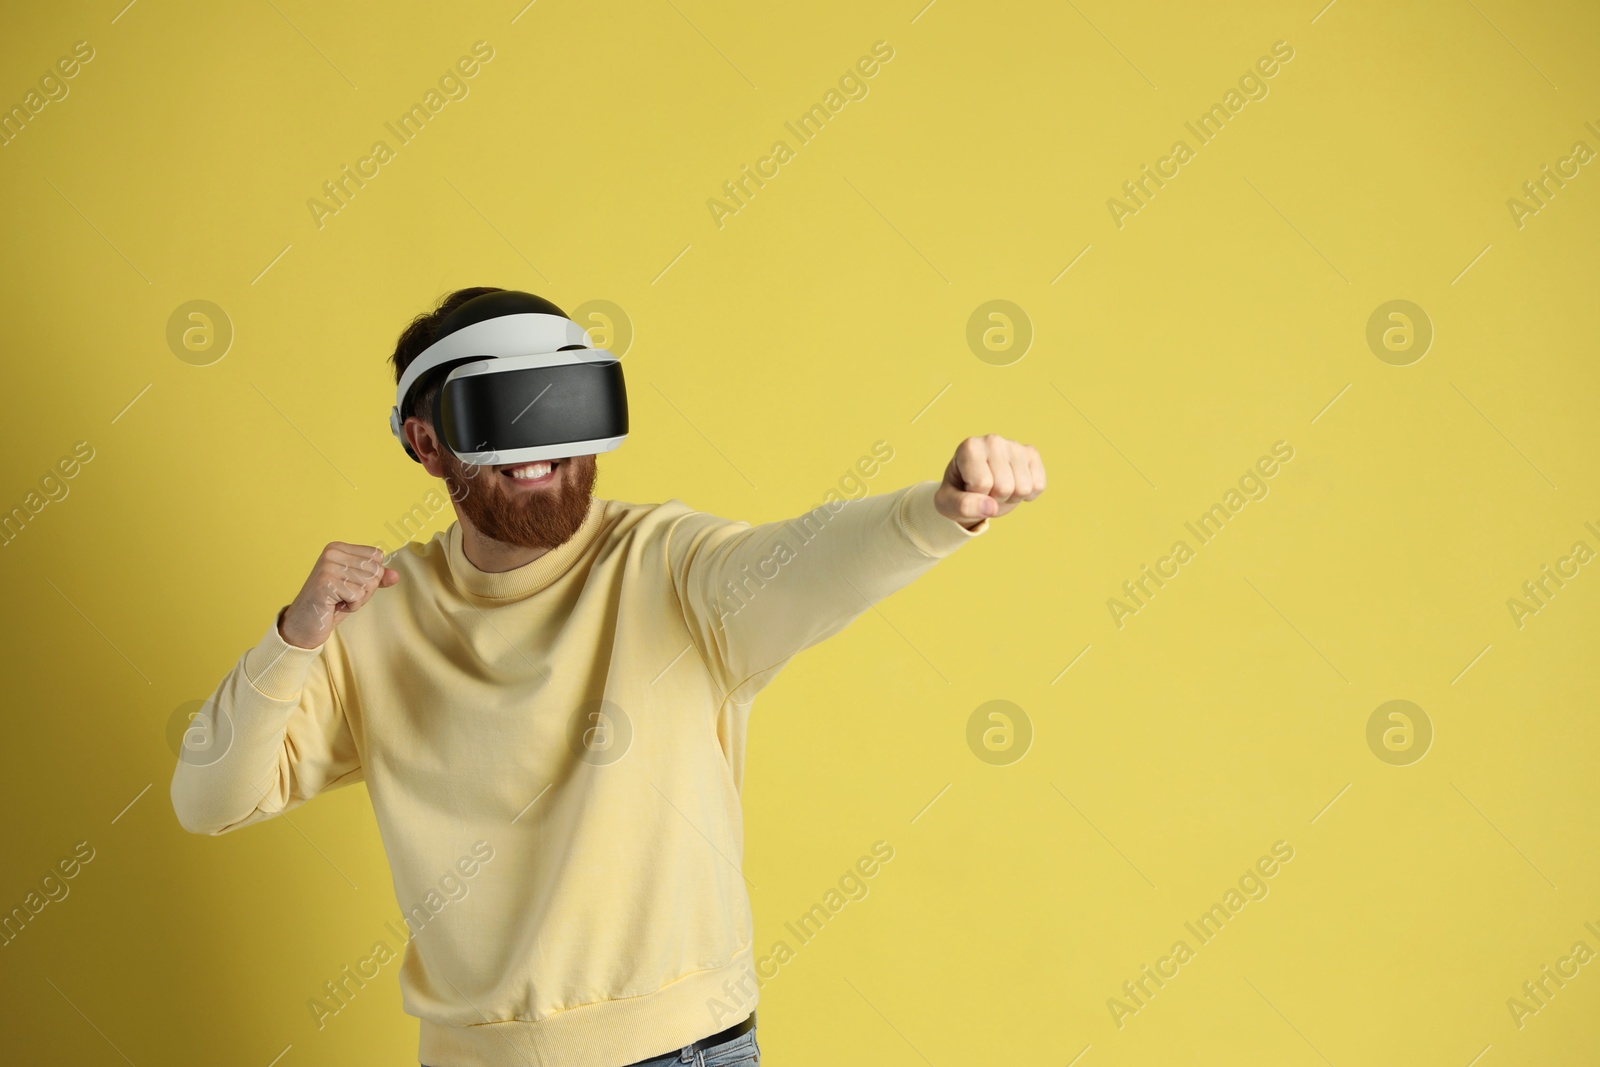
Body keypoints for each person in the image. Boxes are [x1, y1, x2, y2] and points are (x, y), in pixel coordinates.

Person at [170, 286, 1045, 1067]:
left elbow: (801, 561)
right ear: (426, 443)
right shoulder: (377, 619)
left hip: (679, 1051)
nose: (539, 445)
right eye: (502, 413)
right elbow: (209, 799)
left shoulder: (664, 564)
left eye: (561, 402)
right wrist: (294, 637)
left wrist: (933, 513)